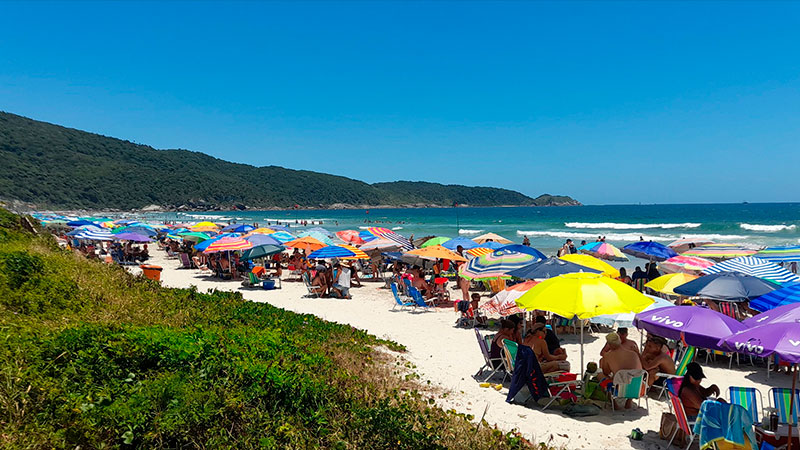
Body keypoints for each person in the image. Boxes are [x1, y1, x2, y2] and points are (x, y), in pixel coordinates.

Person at [599, 332, 643, 408]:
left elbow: (606, 372)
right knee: (630, 376)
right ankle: (629, 401)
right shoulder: (633, 354)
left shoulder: (608, 356)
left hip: (619, 388)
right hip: (636, 388)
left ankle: (614, 403)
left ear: (609, 344)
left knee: (601, 376)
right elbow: (640, 371)